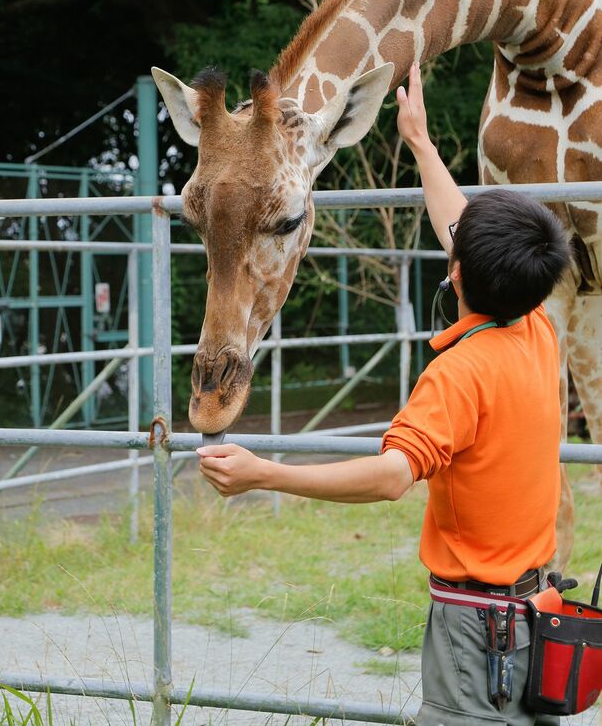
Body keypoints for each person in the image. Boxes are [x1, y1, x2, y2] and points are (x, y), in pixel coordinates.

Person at [196, 62, 571, 726]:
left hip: (475, 633)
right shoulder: (537, 328)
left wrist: (264, 473)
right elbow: (461, 228)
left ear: (455, 272)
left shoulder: (459, 374)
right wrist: (420, 143)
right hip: (537, 614)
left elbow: (393, 475)